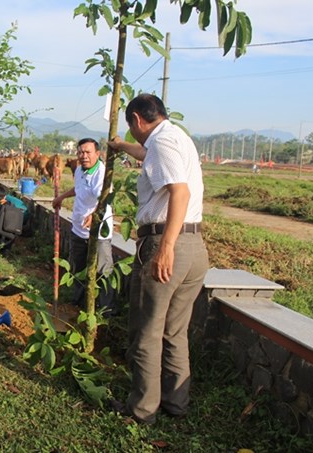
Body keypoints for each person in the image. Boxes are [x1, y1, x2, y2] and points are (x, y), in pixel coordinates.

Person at [108, 94, 209, 424]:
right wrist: (121, 146)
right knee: (174, 332)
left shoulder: (162, 145)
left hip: (168, 243)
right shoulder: (176, 138)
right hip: (194, 246)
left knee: (146, 331)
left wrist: (165, 247)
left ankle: (141, 412)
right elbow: (147, 154)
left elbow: (180, 192)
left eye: (130, 129)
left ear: (137, 119)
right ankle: (175, 403)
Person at [52, 138, 117, 315]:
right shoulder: (80, 169)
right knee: (78, 267)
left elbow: (103, 199)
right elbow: (78, 188)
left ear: (98, 154)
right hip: (78, 230)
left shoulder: (102, 174)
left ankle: (106, 310)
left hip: (98, 232)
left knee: (103, 271)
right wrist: (61, 197)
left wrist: (94, 215)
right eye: (81, 152)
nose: (84, 156)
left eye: (88, 152)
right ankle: (78, 303)